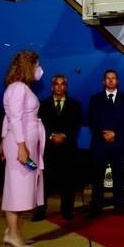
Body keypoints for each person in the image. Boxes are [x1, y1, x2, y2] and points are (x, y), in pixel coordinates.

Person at [0, 50, 45, 247]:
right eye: (36, 65)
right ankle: (13, 236)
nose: (38, 69)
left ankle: (15, 234)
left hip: (24, 144)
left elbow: (7, 117)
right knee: (16, 192)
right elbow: (15, 118)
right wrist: (21, 146)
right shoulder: (18, 88)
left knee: (24, 191)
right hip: (22, 147)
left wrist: (4, 139)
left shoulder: (20, 88)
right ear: (28, 65)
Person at [33, 74, 82, 221]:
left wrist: (64, 136)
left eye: (62, 84)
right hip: (49, 149)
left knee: (68, 181)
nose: (59, 87)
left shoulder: (75, 105)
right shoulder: (42, 105)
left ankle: (67, 211)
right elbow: (40, 125)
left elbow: (76, 125)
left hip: (68, 149)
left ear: (66, 87)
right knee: (44, 182)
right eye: (56, 84)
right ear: (52, 86)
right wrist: (51, 136)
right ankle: (40, 211)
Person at [87, 69, 124, 217]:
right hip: (99, 144)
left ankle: (119, 206)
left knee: (119, 176)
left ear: (117, 81)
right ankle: (96, 207)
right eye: (107, 78)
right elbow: (91, 120)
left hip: (118, 143)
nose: (110, 80)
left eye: (113, 78)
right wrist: (104, 134)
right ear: (103, 81)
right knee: (97, 177)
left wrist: (115, 133)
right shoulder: (95, 99)